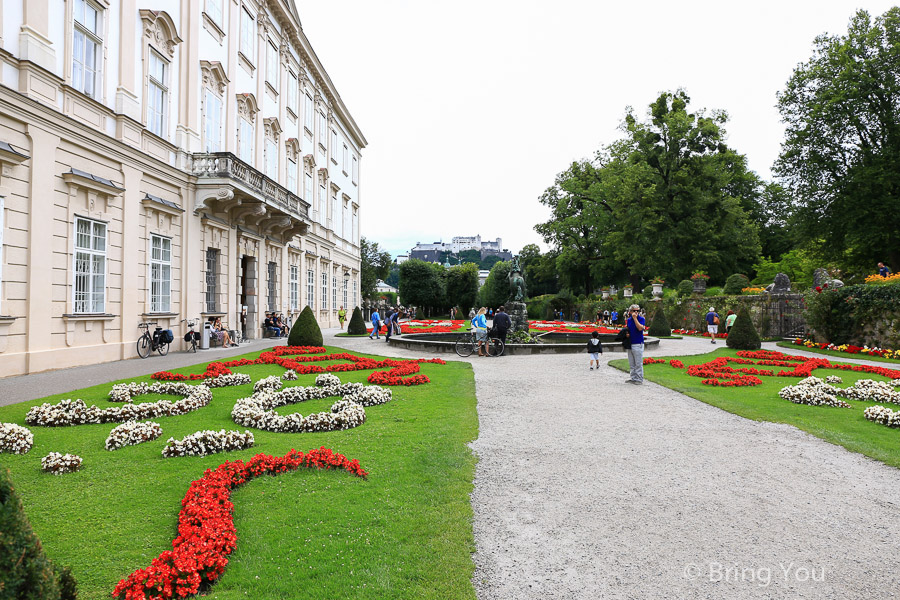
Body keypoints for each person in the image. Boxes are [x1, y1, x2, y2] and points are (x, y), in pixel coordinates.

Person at [625, 304, 646, 384]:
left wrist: (635, 318)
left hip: (638, 343)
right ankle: (633, 378)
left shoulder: (641, 319)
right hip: (631, 343)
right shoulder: (629, 320)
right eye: (634, 311)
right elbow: (629, 329)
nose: (636, 312)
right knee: (631, 363)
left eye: (638, 311)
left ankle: (639, 379)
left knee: (638, 363)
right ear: (630, 312)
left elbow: (640, 328)